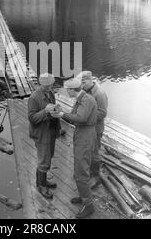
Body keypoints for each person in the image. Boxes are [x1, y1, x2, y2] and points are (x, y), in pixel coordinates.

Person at [56, 78, 97, 218]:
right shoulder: (82, 98)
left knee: (81, 172)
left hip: (86, 135)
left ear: (73, 90)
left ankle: (89, 205)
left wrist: (62, 115)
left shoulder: (87, 100)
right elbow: (74, 116)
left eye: (68, 89)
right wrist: (62, 113)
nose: (66, 91)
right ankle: (83, 196)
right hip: (82, 134)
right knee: (78, 169)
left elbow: (81, 119)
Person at [28, 73, 61, 200]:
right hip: (41, 134)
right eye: (46, 85)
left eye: (51, 84)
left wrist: (56, 110)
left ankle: (43, 181)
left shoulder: (50, 93)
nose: (49, 87)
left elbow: (52, 109)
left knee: (48, 156)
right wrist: (45, 111)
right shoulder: (33, 98)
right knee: (44, 160)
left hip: (51, 130)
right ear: (40, 84)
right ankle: (41, 185)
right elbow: (32, 118)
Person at [78, 71, 108, 184]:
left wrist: (86, 117)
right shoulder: (84, 90)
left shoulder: (99, 94)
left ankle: (95, 177)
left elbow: (103, 113)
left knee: (94, 153)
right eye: (80, 83)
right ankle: (88, 172)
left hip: (96, 129)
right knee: (87, 151)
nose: (82, 85)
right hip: (87, 128)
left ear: (91, 80)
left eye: (84, 82)